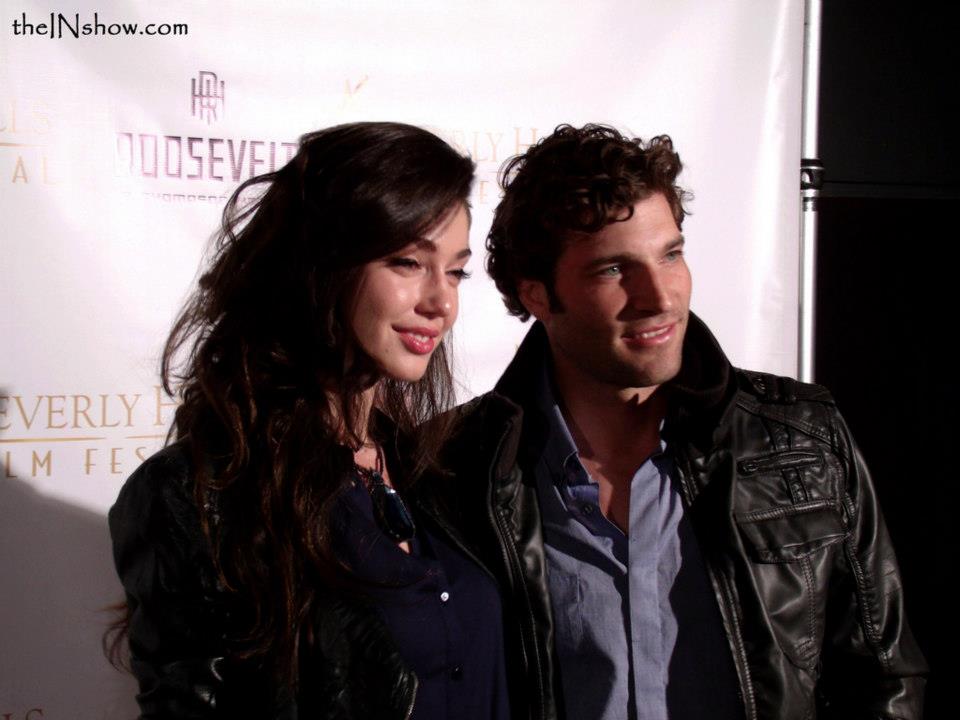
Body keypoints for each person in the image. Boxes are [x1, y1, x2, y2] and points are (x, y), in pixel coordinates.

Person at [432, 124, 927, 719]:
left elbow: (883, 677)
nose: (660, 295)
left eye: (670, 254)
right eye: (614, 270)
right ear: (536, 295)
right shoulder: (458, 467)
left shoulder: (801, 437)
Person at [107, 122, 512, 719]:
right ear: (322, 266)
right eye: (407, 262)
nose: (442, 302)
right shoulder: (198, 498)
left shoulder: (445, 470)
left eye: (455, 271)